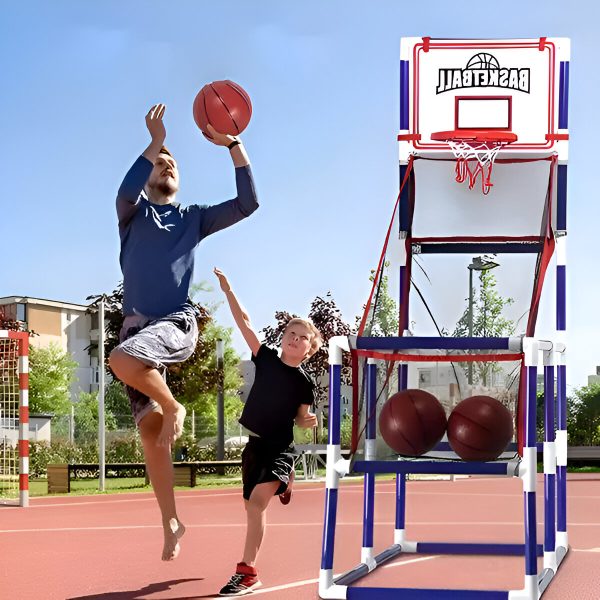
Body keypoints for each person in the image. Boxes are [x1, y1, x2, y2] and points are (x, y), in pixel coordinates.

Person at [109, 104, 258, 561]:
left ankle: (174, 404)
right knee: (152, 434)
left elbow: (247, 203)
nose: (166, 164)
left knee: (121, 360)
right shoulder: (131, 214)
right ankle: (171, 521)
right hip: (137, 329)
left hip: (175, 322)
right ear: (146, 176)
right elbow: (124, 189)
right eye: (159, 162)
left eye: (172, 161)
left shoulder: (192, 217)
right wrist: (155, 141)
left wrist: (234, 145)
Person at [213, 268, 321, 596]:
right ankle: (286, 483)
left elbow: (300, 418)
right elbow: (244, 322)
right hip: (254, 446)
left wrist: (307, 421)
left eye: (303, 337)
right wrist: (228, 290)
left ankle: (247, 572)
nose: (295, 338)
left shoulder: (304, 383)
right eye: (291, 332)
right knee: (251, 506)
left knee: (257, 505)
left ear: (309, 348)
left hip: (279, 449)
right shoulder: (266, 359)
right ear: (283, 337)